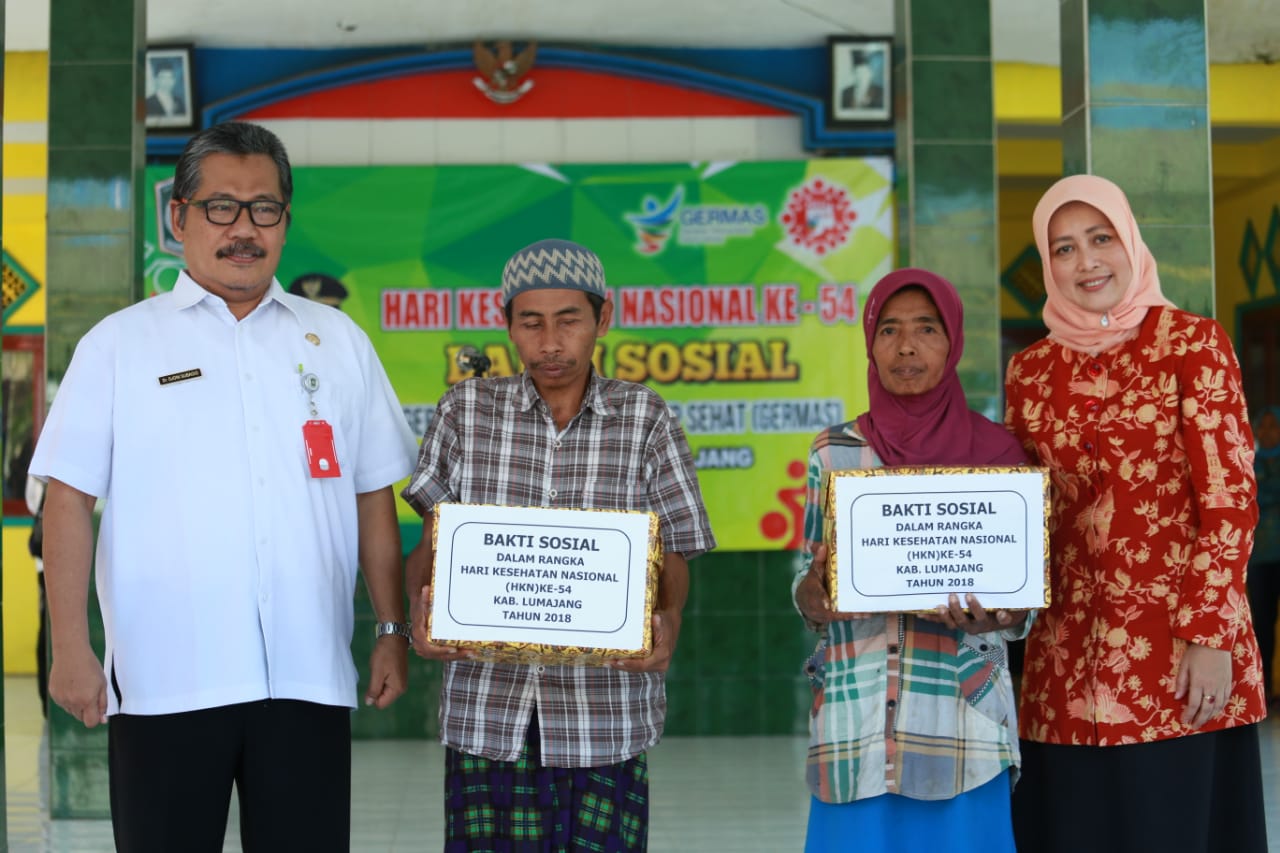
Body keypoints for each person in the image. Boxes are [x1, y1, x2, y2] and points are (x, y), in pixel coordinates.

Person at [28, 121, 419, 852]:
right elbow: (68, 499)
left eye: (263, 208)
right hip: (165, 682)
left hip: (307, 678)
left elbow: (372, 496)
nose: (244, 228)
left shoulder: (339, 342)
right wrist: (71, 647)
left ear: (286, 220)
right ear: (180, 217)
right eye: (221, 207)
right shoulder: (119, 344)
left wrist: (390, 632)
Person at [401, 237, 716, 851]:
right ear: (507, 325)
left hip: (605, 714)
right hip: (487, 710)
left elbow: (674, 547)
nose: (550, 342)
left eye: (569, 321)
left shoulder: (645, 418)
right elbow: (433, 540)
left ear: (603, 318)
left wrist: (669, 618)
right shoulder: (466, 411)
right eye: (531, 323)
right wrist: (421, 607)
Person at [1004, 174, 1269, 853]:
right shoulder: (1030, 372)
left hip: (1178, 663)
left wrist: (1210, 638)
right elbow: (1024, 511)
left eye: (1101, 239)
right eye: (1063, 248)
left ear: (1130, 241)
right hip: (1064, 669)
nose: (1086, 262)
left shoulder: (1193, 344)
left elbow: (1231, 501)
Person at [792, 268, 1030, 853]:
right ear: (870, 344)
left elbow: (1022, 603)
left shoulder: (998, 455)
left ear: (953, 343)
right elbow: (807, 579)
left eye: (927, 328)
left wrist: (1002, 614)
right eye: (889, 330)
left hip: (963, 727)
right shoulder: (835, 452)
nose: (906, 347)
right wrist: (813, 594)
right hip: (854, 726)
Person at [1248, 405, 1280, 705]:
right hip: (1258, 558)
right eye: (1263, 426)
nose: (1267, 431)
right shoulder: (1249, 461)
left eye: (1274, 425)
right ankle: (1265, 688)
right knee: (1262, 624)